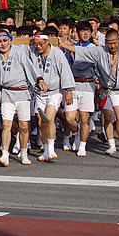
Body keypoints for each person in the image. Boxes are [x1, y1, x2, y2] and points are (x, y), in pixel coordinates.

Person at [61, 29, 119, 162]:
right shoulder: (100, 51)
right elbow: (81, 51)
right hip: (114, 91)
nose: (113, 46)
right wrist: (62, 44)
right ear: (106, 42)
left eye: (115, 43)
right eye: (110, 43)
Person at [0, 30, 39, 166]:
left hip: (22, 92)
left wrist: (38, 80)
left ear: (10, 40)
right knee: (6, 124)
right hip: (6, 93)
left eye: (5, 40)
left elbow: (29, 67)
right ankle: (5, 154)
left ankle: (24, 153)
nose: (2, 44)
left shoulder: (18, 52)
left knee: (23, 126)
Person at [29, 31, 75, 162]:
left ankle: (51, 147)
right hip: (39, 93)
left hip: (54, 92)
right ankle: (45, 148)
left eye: (40, 44)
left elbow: (65, 71)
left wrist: (69, 91)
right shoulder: (32, 52)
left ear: (47, 42)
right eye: (36, 44)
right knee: (40, 120)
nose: (38, 46)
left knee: (48, 118)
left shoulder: (57, 53)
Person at [69, 21, 98, 157]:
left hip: (87, 84)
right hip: (73, 84)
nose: (85, 33)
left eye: (88, 31)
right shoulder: (71, 46)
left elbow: (82, 64)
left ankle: (82, 145)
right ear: (77, 33)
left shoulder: (93, 48)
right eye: (82, 31)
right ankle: (78, 132)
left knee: (85, 118)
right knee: (69, 118)